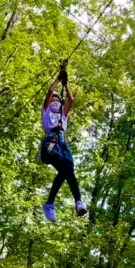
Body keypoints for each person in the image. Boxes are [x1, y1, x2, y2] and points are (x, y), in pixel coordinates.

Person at [40, 61, 87, 221]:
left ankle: (76, 202)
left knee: (67, 171)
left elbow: (71, 100)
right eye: (53, 99)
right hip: (52, 143)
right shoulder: (47, 112)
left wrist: (66, 84)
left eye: (57, 100)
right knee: (65, 169)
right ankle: (61, 202)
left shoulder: (62, 115)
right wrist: (59, 79)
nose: (55, 100)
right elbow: (49, 91)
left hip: (63, 144)